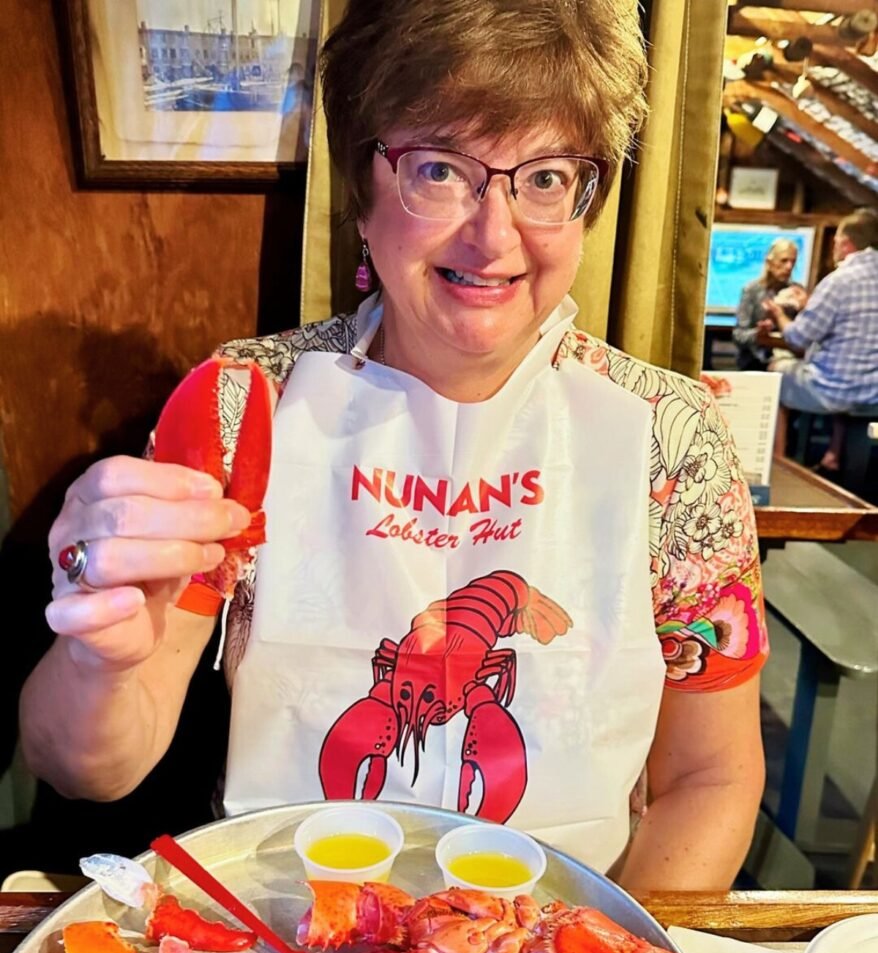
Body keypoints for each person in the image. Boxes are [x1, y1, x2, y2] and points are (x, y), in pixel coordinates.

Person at [19, 0, 768, 891]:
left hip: (558, 943)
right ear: (362, 195)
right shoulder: (243, 404)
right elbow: (87, 768)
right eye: (441, 169)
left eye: (546, 177)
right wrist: (103, 657)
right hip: (283, 932)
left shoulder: (673, 438)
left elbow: (709, 778)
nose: (495, 237)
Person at [762, 208, 878, 471]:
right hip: (873, 390)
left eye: (836, 240)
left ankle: (780, 466)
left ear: (847, 244)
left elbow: (799, 337)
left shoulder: (839, 281)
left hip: (835, 390)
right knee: (840, 367)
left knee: (776, 373)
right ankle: (833, 455)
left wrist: (780, 315)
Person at [732, 238, 807, 371]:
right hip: (754, 364)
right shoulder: (751, 291)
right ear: (769, 262)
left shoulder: (798, 293)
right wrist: (758, 334)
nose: (789, 267)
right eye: (784, 261)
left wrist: (804, 309)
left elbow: (805, 335)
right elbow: (738, 335)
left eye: (793, 262)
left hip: (790, 361)